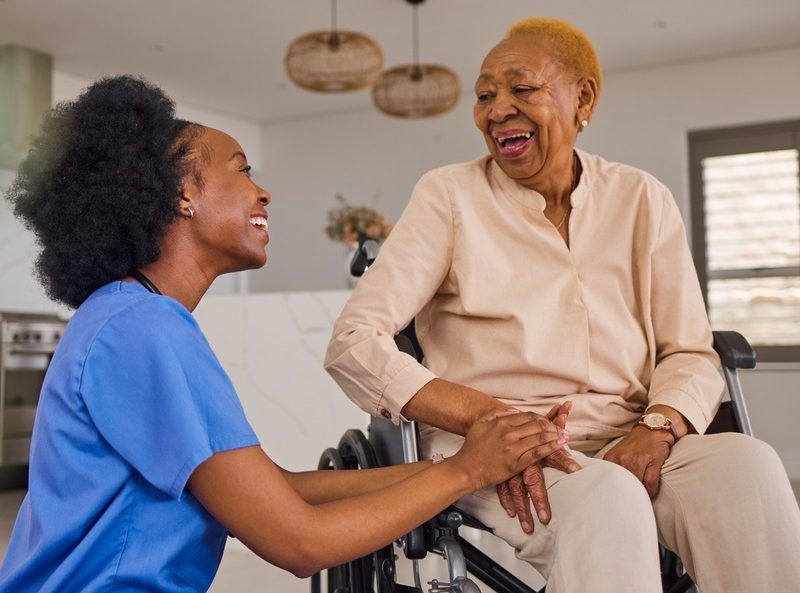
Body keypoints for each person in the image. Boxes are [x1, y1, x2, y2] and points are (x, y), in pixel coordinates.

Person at [0, 75, 572, 593]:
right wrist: (466, 470)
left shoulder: (130, 316)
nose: (263, 193)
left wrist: (451, 474)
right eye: (242, 168)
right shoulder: (142, 329)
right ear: (183, 192)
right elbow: (300, 542)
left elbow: (277, 488)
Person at [325, 17, 800, 593]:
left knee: (746, 468)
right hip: (495, 449)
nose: (497, 110)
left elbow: (690, 351)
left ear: (583, 99)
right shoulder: (448, 196)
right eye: (484, 95)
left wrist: (660, 425)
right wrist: (488, 420)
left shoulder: (641, 198)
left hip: (631, 432)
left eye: (521, 89)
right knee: (607, 495)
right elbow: (355, 342)